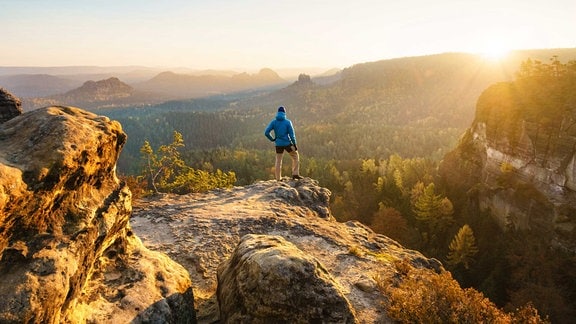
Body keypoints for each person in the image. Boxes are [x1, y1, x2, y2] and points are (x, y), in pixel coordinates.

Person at [264, 106, 303, 181]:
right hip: (287, 144)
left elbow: (266, 132)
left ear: (278, 113)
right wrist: (294, 144)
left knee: (278, 160)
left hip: (278, 144)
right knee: (295, 156)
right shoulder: (288, 122)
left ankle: (278, 178)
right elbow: (292, 135)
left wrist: (272, 139)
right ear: (284, 113)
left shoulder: (274, 122)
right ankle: (295, 174)